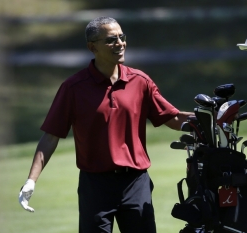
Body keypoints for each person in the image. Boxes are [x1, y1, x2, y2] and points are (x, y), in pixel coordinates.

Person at [18, 16, 193, 233]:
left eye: (122, 37)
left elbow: (172, 118)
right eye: (111, 40)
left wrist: (210, 118)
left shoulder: (140, 81)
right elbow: (51, 136)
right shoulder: (74, 88)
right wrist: (31, 180)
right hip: (95, 186)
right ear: (93, 47)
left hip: (135, 182)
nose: (119, 43)